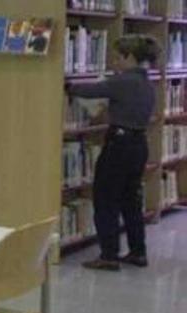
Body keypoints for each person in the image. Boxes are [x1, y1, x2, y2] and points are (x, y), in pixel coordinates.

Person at [66, 34, 160, 271]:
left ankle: (108, 254)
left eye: (118, 58)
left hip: (118, 145)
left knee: (105, 198)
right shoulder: (148, 83)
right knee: (131, 199)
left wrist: (69, 86)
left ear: (130, 57)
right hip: (139, 145)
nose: (114, 63)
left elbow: (91, 91)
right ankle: (138, 251)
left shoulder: (123, 81)